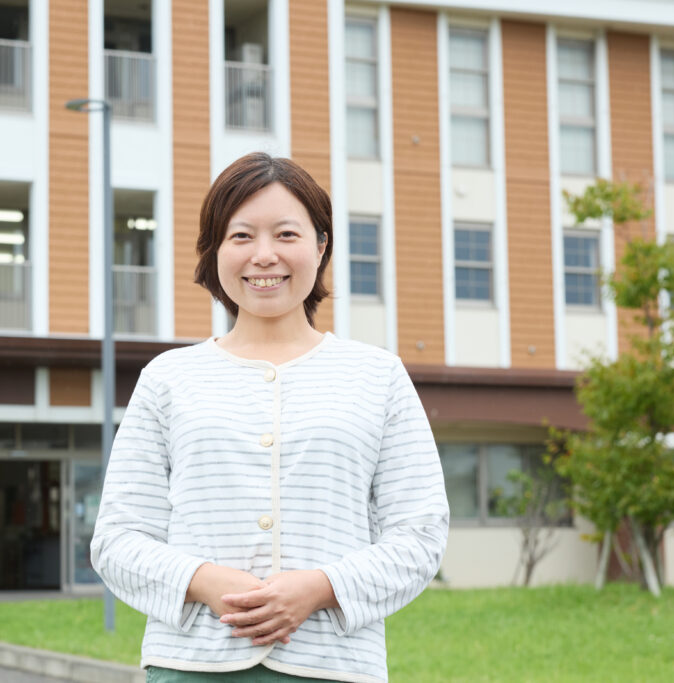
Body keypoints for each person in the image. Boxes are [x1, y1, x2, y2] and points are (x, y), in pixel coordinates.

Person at [91, 152, 449, 683]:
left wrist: (320, 587)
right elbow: (118, 538)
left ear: (321, 245)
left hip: (336, 667)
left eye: (286, 234)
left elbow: (420, 533)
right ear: (214, 251)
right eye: (241, 237)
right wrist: (204, 580)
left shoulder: (378, 376)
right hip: (189, 665)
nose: (264, 256)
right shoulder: (168, 378)